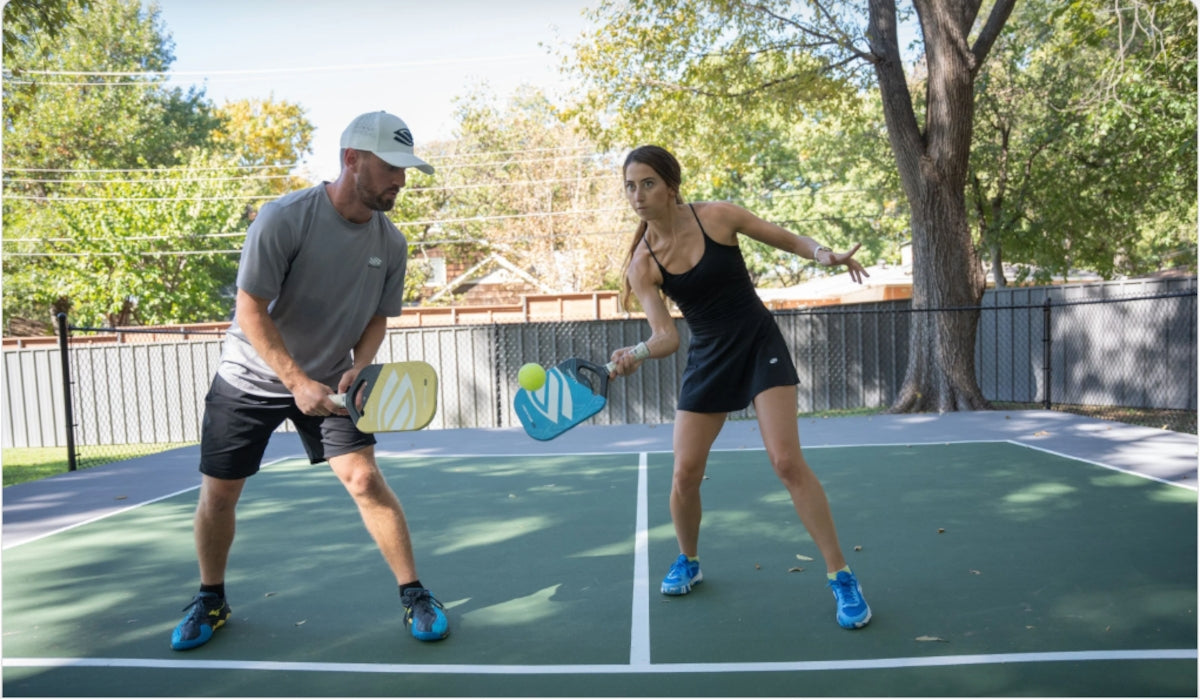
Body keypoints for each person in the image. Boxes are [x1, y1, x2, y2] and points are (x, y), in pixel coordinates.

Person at [170, 111, 449, 650]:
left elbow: (376, 318)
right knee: (221, 494)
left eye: (406, 169)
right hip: (250, 374)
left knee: (365, 480)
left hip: (330, 380)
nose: (401, 181)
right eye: (391, 167)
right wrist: (296, 380)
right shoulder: (284, 218)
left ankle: (414, 592)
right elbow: (250, 310)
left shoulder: (391, 244)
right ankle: (211, 596)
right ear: (352, 160)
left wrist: (359, 366)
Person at [607, 145, 873, 630]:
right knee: (684, 473)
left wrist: (822, 253)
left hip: (757, 343)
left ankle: (842, 575)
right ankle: (688, 560)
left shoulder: (718, 218)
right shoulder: (642, 264)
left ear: (670, 185)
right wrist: (636, 355)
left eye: (647, 183)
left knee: (786, 462)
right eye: (629, 186)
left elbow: (788, 239)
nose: (637, 195)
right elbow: (666, 337)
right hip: (708, 357)